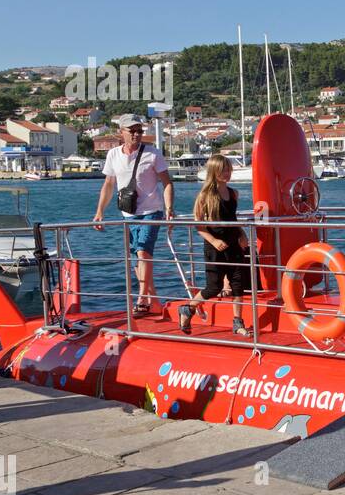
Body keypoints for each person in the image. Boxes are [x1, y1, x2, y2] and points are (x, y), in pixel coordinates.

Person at [93, 114, 174, 315]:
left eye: (139, 130)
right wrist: (99, 211)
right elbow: (108, 185)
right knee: (138, 257)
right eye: (132, 130)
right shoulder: (113, 155)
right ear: (122, 132)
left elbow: (167, 183)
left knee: (143, 252)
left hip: (151, 212)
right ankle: (153, 299)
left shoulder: (153, 153)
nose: (137, 134)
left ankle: (141, 300)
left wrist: (169, 208)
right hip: (128, 214)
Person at [178, 154, 251, 337]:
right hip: (214, 247)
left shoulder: (234, 193)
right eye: (223, 170)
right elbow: (199, 226)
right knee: (214, 287)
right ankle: (188, 308)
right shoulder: (205, 196)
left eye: (228, 169)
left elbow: (233, 220)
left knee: (237, 284)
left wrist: (242, 234)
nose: (227, 173)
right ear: (214, 172)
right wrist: (213, 241)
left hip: (233, 244)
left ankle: (237, 322)